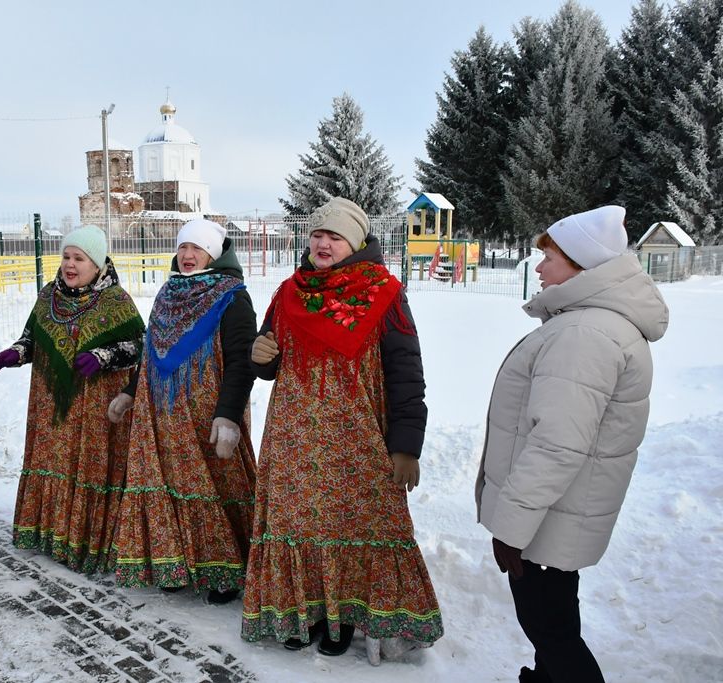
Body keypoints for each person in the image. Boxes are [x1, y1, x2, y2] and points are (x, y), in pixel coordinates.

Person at [241, 197, 443, 660]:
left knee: (349, 524)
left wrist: (407, 444)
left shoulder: (384, 293)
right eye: (316, 234)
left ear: (353, 242)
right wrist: (260, 357)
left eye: (333, 235)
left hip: (356, 441)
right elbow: (271, 356)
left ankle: (343, 616)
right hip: (293, 438)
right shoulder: (289, 293)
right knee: (294, 523)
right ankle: (299, 609)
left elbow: (405, 372)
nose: (322, 242)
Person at [476, 206, 668, 683]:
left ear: (582, 265)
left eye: (550, 258)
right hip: (560, 516)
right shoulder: (593, 323)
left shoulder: (585, 333)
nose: (538, 268)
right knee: (555, 623)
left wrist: (511, 528)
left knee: (552, 631)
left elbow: (557, 444)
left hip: (546, 521)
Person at [111, 219, 257, 604]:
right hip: (161, 415)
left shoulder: (232, 297)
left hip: (208, 414)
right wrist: (130, 392)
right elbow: (151, 351)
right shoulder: (167, 293)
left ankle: (224, 571)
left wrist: (228, 415)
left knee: (216, 486)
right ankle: (172, 563)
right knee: (168, 487)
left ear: (215, 251)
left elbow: (243, 361)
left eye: (197, 248)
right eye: (183, 248)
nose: (188, 256)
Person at [0, 225, 144, 574]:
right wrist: (16, 353)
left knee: (86, 465)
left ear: (98, 263)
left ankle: (88, 542)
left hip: (94, 407)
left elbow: (139, 346)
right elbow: (31, 337)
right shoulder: (48, 296)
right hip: (50, 405)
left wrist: (103, 356)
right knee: (53, 462)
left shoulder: (115, 301)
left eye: (80, 258)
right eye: (66, 257)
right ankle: (48, 533)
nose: (70, 265)